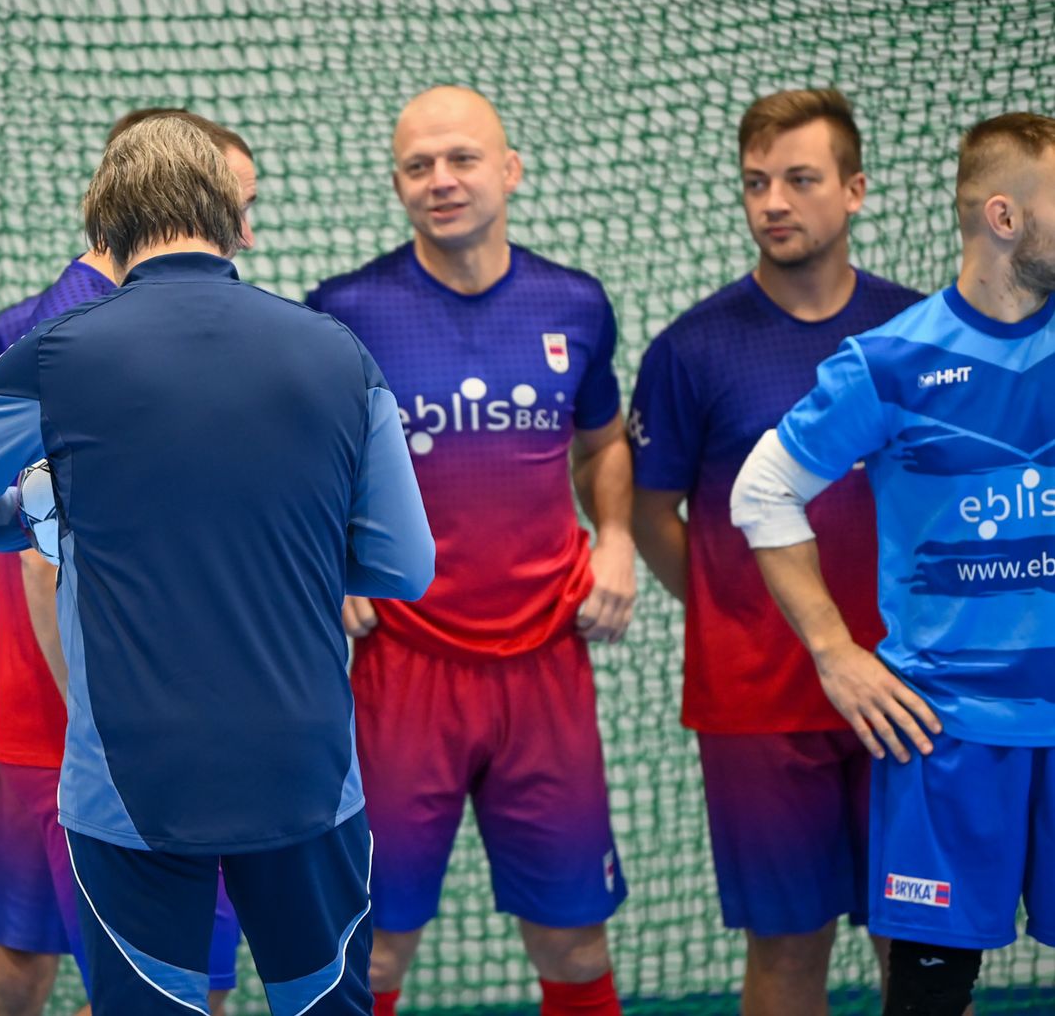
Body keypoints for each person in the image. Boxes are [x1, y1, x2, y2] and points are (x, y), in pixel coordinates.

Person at [0, 115, 433, 1015]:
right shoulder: (337, 350)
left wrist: (56, 519)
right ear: (235, 218)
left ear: (106, 220)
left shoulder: (53, 352)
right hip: (303, 764)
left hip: (132, 776)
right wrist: (275, 539)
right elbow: (403, 566)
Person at [306, 85, 633, 1016]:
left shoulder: (575, 303)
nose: (441, 181)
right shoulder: (344, 313)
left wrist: (615, 538)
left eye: (461, 159)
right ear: (397, 184)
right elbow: (297, 466)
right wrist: (331, 560)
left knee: (574, 941)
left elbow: (602, 442)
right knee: (372, 949)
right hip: (403, 668)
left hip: (546, 665)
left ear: (509, 170)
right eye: (418, 166)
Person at [0, 108, 257, 1015]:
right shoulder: (40, 336)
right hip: (78, 728)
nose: (245, 233)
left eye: (246, 206)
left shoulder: (239, 341)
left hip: (150, 726)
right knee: (43, 970)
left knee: (152, 980)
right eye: (230, 205)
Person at [731, 111, 1055, 1016]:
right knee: (928, 998)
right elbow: (761, 492)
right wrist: (834, 651)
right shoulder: (889, 363)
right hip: (944, 732)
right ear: (1004, 217)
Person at [628, 88, 922, 1013]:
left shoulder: (919, 335)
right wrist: (742, 613)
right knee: (788, 950)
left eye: (799, 179)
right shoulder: (691, 349)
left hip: (912, 689)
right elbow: (651, 513)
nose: (774, 202)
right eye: (757, 183)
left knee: (921, 948)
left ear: (856, 190)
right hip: (759, 707)